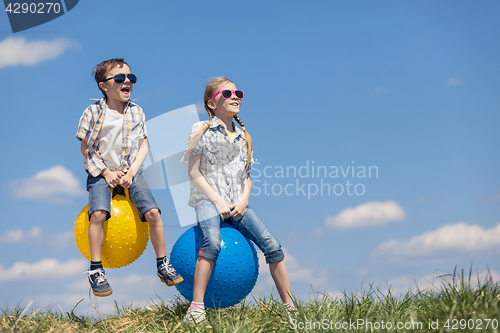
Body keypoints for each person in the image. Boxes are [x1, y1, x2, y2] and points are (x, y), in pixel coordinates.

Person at [181, 77, 294, 323]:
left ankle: (290, 307)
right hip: (208, 201)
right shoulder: (200, 130)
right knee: (212, 243)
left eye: (238, 93)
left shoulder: (245, 137)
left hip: (238, 203)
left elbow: (247, 177)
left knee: (273, 247)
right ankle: (196, 308)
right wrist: (217, 202)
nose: (235, 97)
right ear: (211, 104)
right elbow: (193, 172)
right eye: (227, 94)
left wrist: (243, 201)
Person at [75, 58, 183, 297]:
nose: (127, 82)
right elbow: (86, 147)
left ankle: (162, 263)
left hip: (132, 171)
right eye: (120, 78)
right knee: (99, 214)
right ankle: (96, 270)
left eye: (131, 78)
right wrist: (106, 172)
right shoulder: (92, 112)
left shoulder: (137, 111)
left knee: (153, 213)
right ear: (104, 86)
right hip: (101, 171)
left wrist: (132, 172)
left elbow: (144, 145)